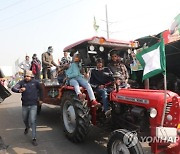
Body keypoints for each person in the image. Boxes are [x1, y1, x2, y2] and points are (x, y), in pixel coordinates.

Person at [11, 70, 42, 146]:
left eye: (28, 76)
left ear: (31, 76)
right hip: (25, 105)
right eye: (25, 76)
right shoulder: (22, 83)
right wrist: (19, 90)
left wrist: (41, 99)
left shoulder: (35, 82)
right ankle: (27, 127)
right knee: (25, 119)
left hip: (33, 105)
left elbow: (41, 90)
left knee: (32, 120)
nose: (26, 78)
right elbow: (13, 88)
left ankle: (34, 138)